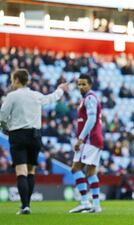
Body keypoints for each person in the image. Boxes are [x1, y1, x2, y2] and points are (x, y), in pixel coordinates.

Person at [0, 69, 68, 214]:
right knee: (31, 171)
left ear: (17, 80)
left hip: (18, 135)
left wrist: (6, 129)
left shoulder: (11, 96)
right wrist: (60, 90)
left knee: (21, 171)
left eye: (13, 79)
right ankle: (27, 205)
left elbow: (2, 117)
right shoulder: (36, 95)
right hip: (35, 136)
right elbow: (52, 98)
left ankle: (24, 206)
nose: (12, 82)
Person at [69, 74, 104, 213]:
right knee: (90, 172)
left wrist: (81, 138)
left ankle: (84, 202)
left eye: (84, 84)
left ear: (90, 85)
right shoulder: (89, 98)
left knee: (75, 168)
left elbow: (91, 119)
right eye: (79, 84)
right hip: (96, 139)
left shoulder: (90, 98)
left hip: (90, 140)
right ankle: (96, 205)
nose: (81, 87)